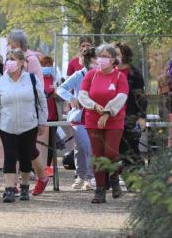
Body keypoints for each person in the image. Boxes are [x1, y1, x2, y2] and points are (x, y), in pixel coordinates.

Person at [0, 49, 48, 202]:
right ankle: (9, 189)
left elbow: (42, 102)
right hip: (7, 126)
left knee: (26, 157)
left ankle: (25, 186)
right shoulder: (1, 82)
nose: (9, 62)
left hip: (29, 125)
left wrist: (42, 122)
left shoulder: (32, 79)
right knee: (10, 156)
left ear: (21, 62)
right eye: (8, 59)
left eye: (13, 59)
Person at [79, 44, 129, 203]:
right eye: (100, 56)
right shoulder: (91, 75)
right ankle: (100, 190)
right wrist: (94, 106)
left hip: (114, 120)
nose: (102, 59)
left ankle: (114, 180)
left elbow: (121, 96)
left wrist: (107, 112)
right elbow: (83, 95)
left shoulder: (120, 77)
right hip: (93, 119)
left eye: (106, 56)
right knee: (98, 155)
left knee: (110, 153)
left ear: (114, 60)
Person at [7, 29, 49, 195]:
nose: (10, 45)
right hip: (13, 111)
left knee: (27, 149)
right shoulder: (11, 59)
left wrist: (41, 118)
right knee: (21, 149)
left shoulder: (31, 60)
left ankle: (38, 178)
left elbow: (39, 88)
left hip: (28, 112)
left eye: (11, 42)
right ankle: (23, 181)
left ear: (18, 44)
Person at [57, 48, 96, 190]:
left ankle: (90, 178)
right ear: (91, 60)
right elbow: (60, 89)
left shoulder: (102, 75)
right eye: (97, 58)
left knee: (91, 146)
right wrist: (71, 98)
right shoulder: (78, 75)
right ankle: (81, 175)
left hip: (96, 116)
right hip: (79, 116)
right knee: (83, 145)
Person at [114, 42, 146, 170]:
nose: (114, 57)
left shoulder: (135, 73)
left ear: (125, 55)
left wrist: (141, 116)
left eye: (117, 54)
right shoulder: (108, 72)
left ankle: (135, 179)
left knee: (131, 149)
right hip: (113, 117)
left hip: (130, 117)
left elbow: (141, 97)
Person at [40, 56, 60, 176]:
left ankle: (48, 166)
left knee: (51, 143)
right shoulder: (37, 78)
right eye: (44, 65)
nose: (47, 67)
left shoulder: (55, 79)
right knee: (38, 142)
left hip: (53, 114)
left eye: (49, 64)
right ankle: (35, 167)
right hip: (40, 116)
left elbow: (61, 95)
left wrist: (56, 95)